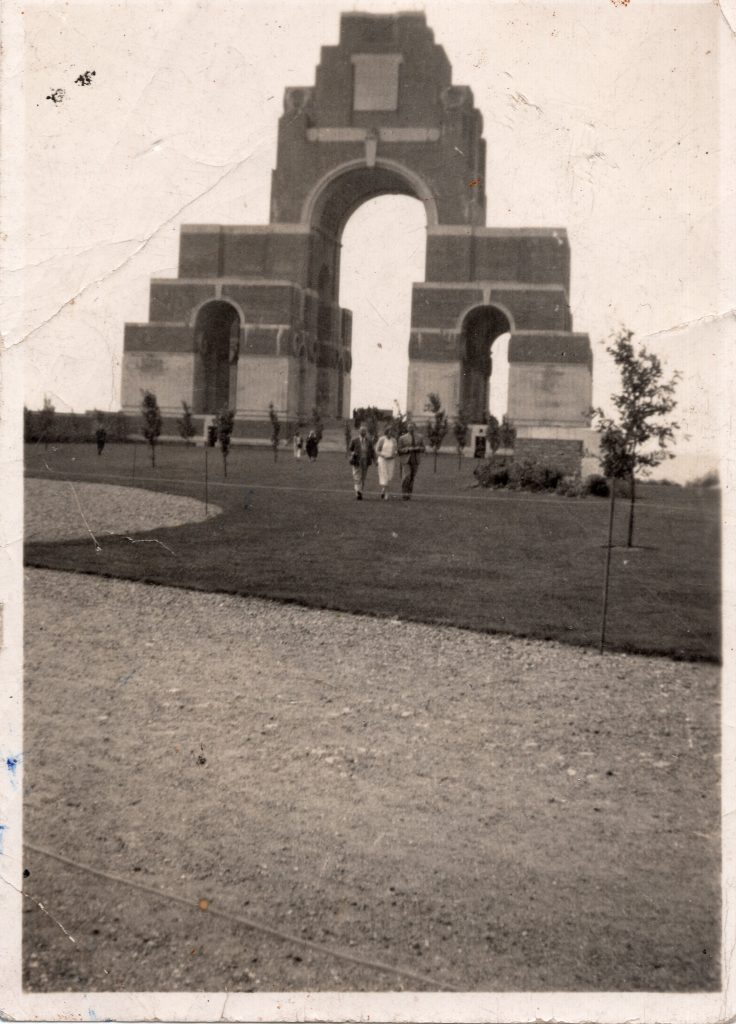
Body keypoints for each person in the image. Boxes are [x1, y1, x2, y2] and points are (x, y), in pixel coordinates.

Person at [398, 418, 426, 500]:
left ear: (415, 428)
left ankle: (409, 494)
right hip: (406, 459)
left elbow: (423, 448)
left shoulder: (420, 437)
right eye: (409, 427)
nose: (411, 429)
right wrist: (407, 449)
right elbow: (399, 450)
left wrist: (419, 448)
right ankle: (404, 493)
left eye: (412, 427)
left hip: (416, 459)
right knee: (407, 476)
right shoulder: (402, 438)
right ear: (407, 428)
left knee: (412, 477)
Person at [348, 423, 375, 500]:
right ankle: (358, 492)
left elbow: (372, 451)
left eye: (365, 431)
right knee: (357, 477)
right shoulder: (354, 440)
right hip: (357, 461)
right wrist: (353, 453)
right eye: (362, 431)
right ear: (359, 431)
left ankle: (360, 492)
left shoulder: (369, 441)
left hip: (365, 461)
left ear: (366, 432)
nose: (363, 432)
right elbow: (350, 449)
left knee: (363, 477)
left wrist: (375, 460)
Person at [375, 425, 398, 500]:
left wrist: (394, 455)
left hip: (391, 460)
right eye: (389, 431)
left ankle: (383, 490)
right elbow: (377, 450)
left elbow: (396, 450)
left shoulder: (394, 440)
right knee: (384, 475)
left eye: (392, 431)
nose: (390, 433)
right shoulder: (382, 439)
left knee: (389, 476)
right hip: (382, 460)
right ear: (387, 432)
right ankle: (387, 494)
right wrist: (383, 455)